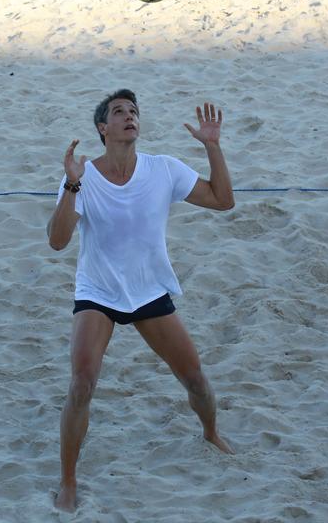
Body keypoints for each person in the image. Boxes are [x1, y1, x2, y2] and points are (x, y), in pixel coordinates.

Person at [47, 89, 235, 512]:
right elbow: (58, 241)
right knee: (81, 383)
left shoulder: (163, 169)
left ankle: (210, 433)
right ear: (103, 128)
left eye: (133, 111)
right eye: (118, 112)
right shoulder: (82, 176)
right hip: (98, 293)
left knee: (196, 380)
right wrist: (73, 184)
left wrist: (213, 147)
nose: (129, 116)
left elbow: (224, 201)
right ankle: (68, 481)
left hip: (149, 291)